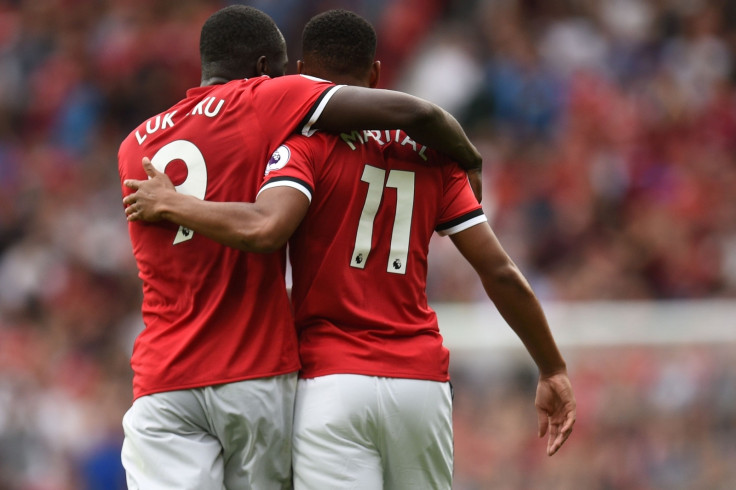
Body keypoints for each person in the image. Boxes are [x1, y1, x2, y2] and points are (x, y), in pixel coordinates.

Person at [123, 9, 576, 490]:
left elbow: (267, 225)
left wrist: (174, 205)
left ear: (301, 74)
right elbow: (500, 272)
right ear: (376, 74)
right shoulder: (432, 156)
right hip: (420, 382)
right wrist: (553, 368)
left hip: (323, 381)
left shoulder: (298, 148)